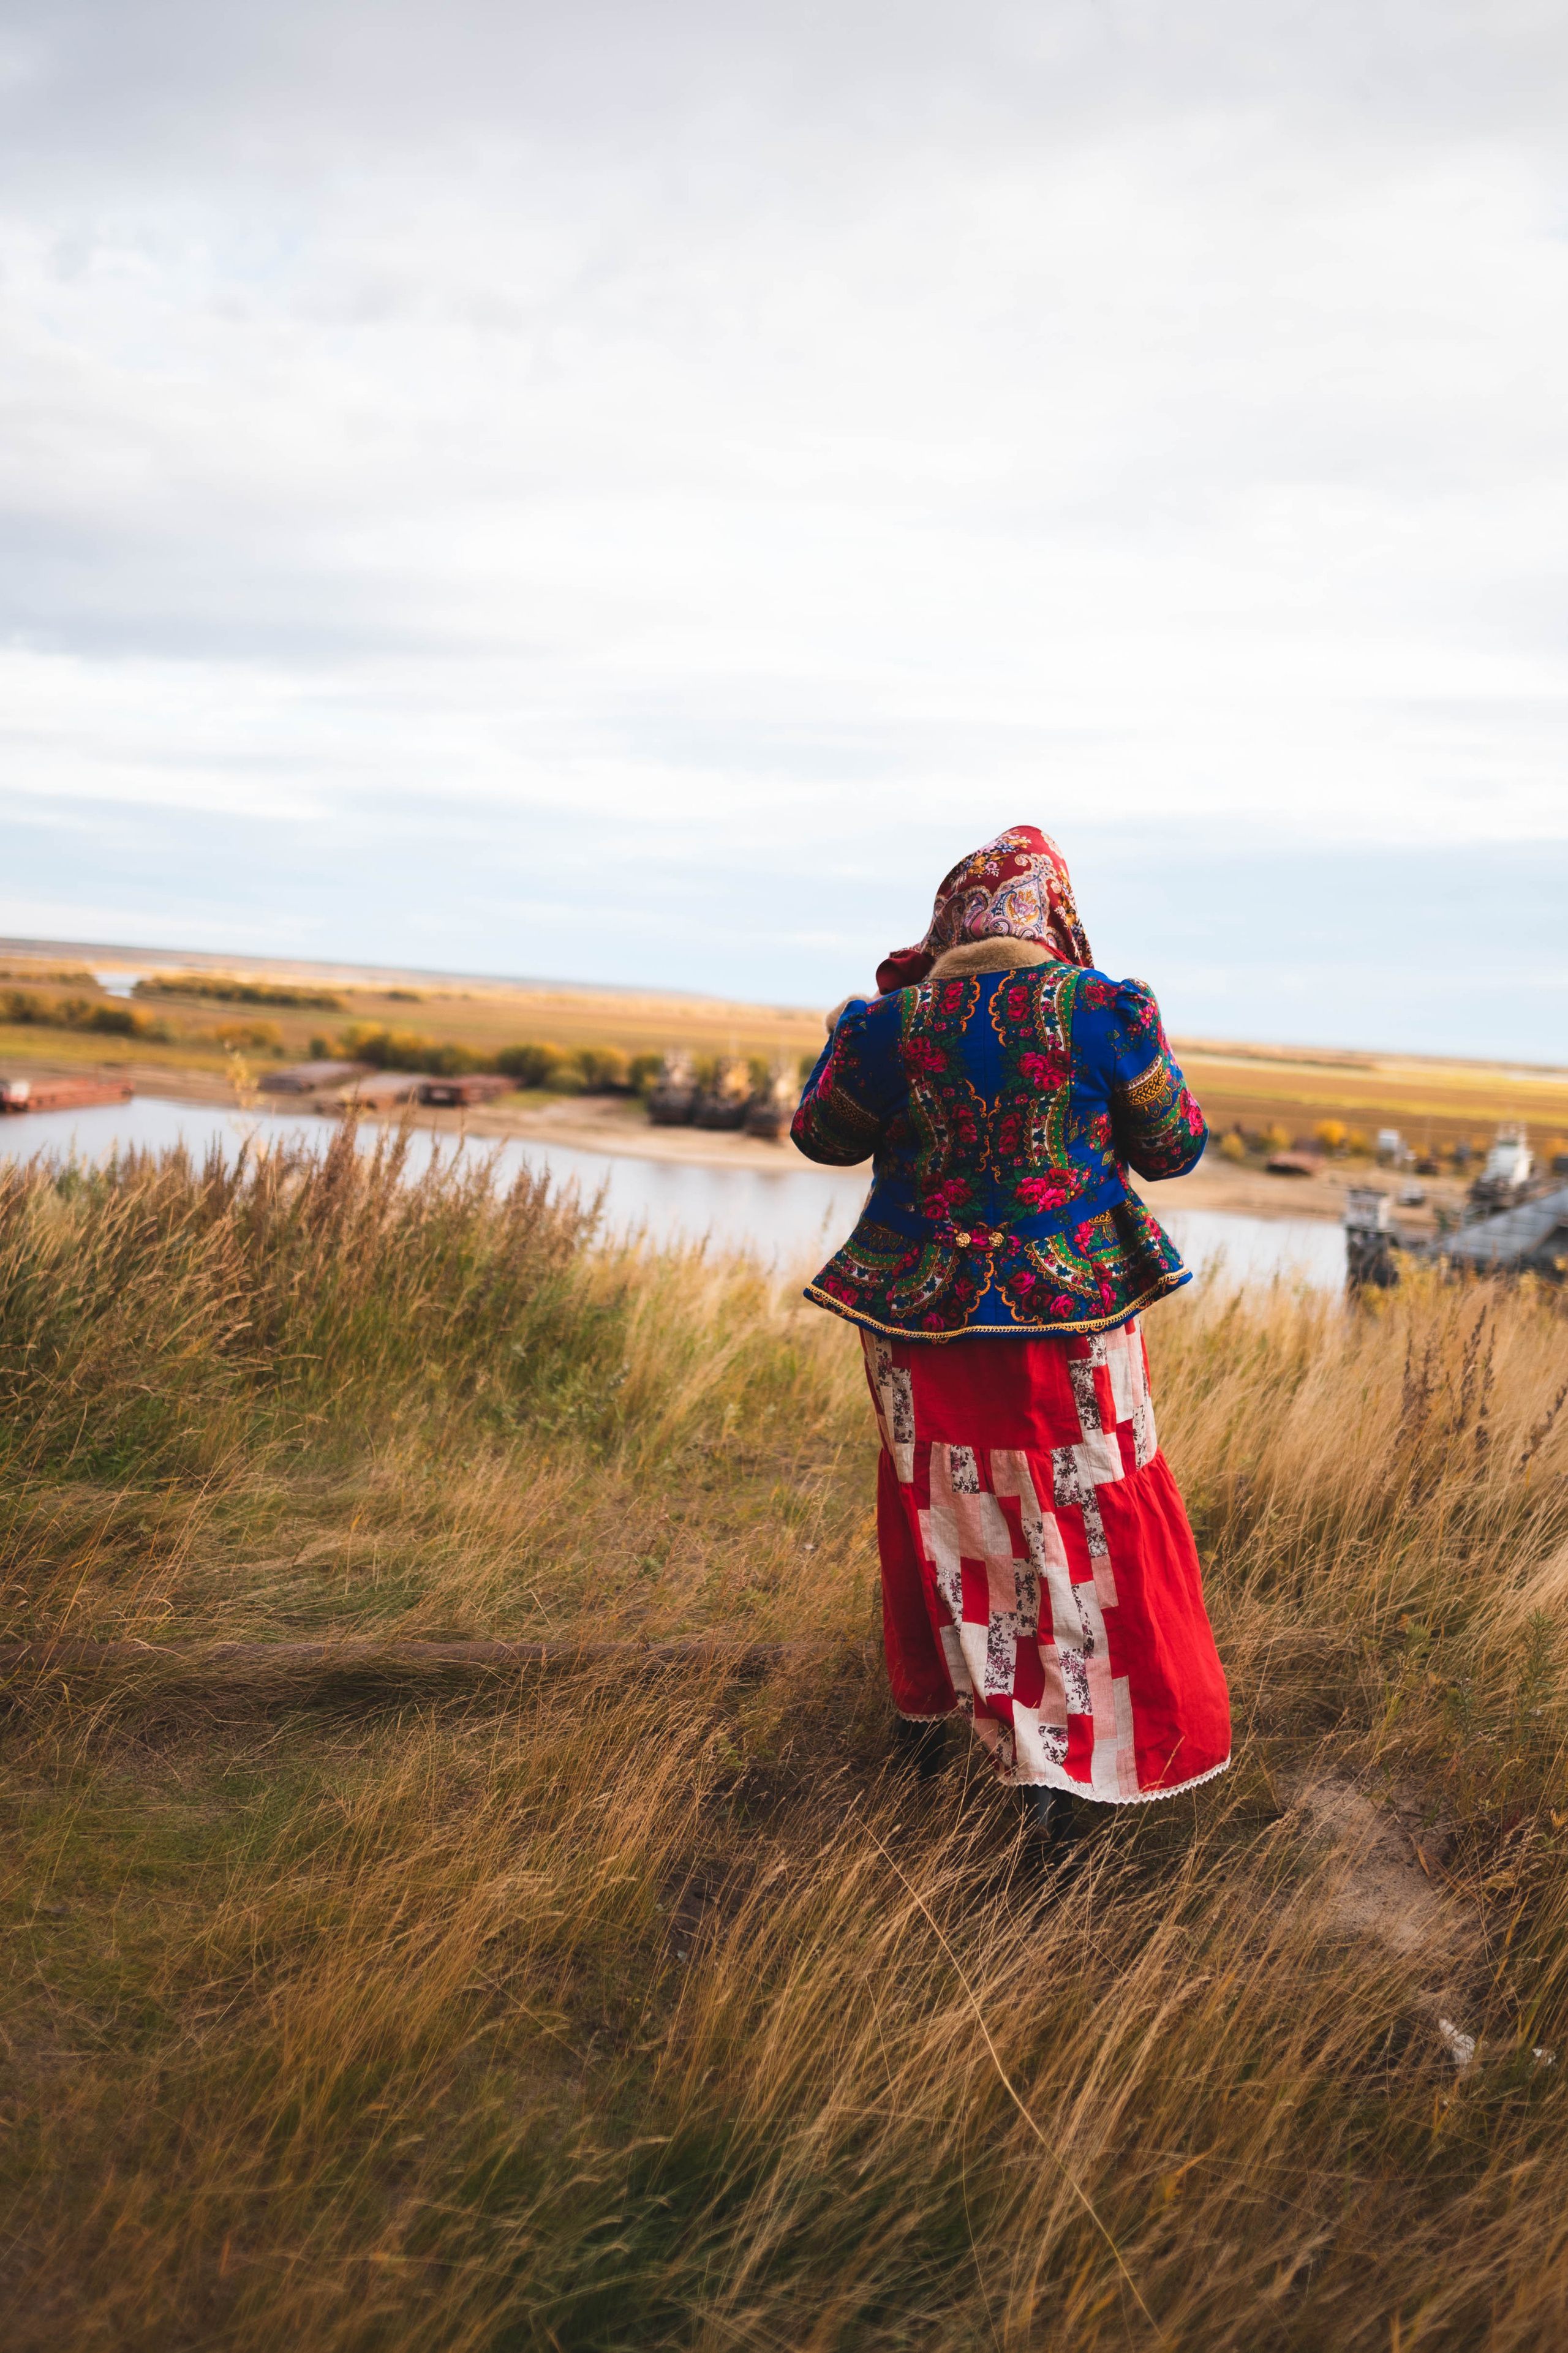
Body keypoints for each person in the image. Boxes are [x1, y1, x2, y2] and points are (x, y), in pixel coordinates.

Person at [791, 826, 1231, 1858]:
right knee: (1090, 1515)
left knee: (948, 1509)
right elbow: (1176, 1148)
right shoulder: (1101, 1011)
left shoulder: (884, 1028)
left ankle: (977, 1728)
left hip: (918, 1327)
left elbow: (821, 1136)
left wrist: (843, 1034)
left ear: (950, 919)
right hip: (1068, 1325)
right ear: (1056, 918)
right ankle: (1084, 1767)